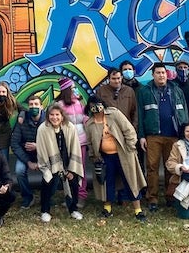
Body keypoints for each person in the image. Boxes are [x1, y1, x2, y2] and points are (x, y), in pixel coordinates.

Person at [84, 96, 147, 221]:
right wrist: (94, 156)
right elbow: (90, 142)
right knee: (107, 182)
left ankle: (138, 210)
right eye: (93, 105)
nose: (96, 108)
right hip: (105, 157)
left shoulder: (114, 114)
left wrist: (130, 147)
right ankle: (107, 208)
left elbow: (128, 130)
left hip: (123, 153)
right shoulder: (90, 123)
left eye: (98, 104)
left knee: (131, 181)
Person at [137, 62, 189, 211]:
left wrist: (185, 134)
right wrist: (141, 136)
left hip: (173, 136)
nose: (161, 75)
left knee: (171, 168)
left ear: (167, 74)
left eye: (163, 73)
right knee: (152, 167)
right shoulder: (145, 91)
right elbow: (140, 115)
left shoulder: (176, 90)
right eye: (158, 73)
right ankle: (152, 198)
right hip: (153, 136)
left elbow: (184, 112)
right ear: (152, 75)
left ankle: (171, 196)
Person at [35, 103, 84, 222]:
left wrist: (72, 169)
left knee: (73, 184)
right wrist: (47, 169)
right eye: (51, 115)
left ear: (62, 116)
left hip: (68, 163)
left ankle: (73, 209)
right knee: (48, 184)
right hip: (51, 164)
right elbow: (41, 150)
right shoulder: (43, 128)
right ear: (48, 116)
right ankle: (45, 211)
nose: (54, 117)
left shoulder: (70, 127)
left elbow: (75, 147)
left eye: (57, 114)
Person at [56, 76, 89, 208]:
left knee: (81, 170)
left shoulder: (80, 103)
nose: (75, 90)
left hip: (81, 142)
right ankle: (69, 196)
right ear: (66, 90)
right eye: (73, 88)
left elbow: (85, 118)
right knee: (68, 170)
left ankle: (81, 196)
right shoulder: (59, 105)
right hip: (67, 142)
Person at [10, 94, 46, 209]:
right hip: (26, 155)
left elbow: (53, 143)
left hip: (44, 155)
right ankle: (27, 197)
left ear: (41, 106)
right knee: (19, 170)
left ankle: (46, 197)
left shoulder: (48, 121)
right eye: (31, 105)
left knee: (52, 171)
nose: (33, 107)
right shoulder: (22, 120)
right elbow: (14, 143)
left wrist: (38, 146)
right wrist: (28, 162)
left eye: (36, 104)